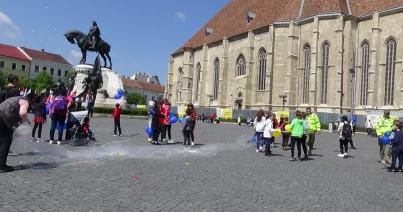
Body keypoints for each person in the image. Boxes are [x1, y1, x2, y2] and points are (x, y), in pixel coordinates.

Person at [0, 96, 30, 172]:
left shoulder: (15, 98)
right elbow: (22, 113)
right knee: (5, 142)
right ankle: (1, 166)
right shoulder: (25, 101)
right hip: (3, 118)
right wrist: (24, 119)